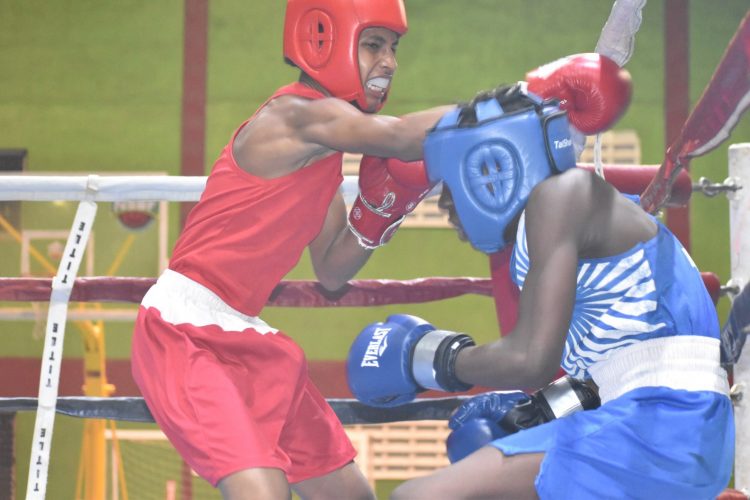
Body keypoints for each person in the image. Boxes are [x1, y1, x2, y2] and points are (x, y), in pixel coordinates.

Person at [346, 81, 736, 497]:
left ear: (490, 169)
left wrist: (430, 357)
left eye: (449, 186)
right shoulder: (566, 222)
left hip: (661, 425)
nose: (444, 207)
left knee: (419, 496)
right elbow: (625, 363)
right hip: (680, 432)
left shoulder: (560, 196)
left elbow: (529, 359)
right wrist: (539, 409)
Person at [130, 0, 453, 498]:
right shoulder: (295, 115)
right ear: (323, 41)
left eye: (393, 48)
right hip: (182, 336)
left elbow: (331, 269)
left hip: (249, 341)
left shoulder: (322, 152)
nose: (389, 61)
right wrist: (519, 100)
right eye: (373, 45)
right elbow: (404, 138)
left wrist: (379, 215)